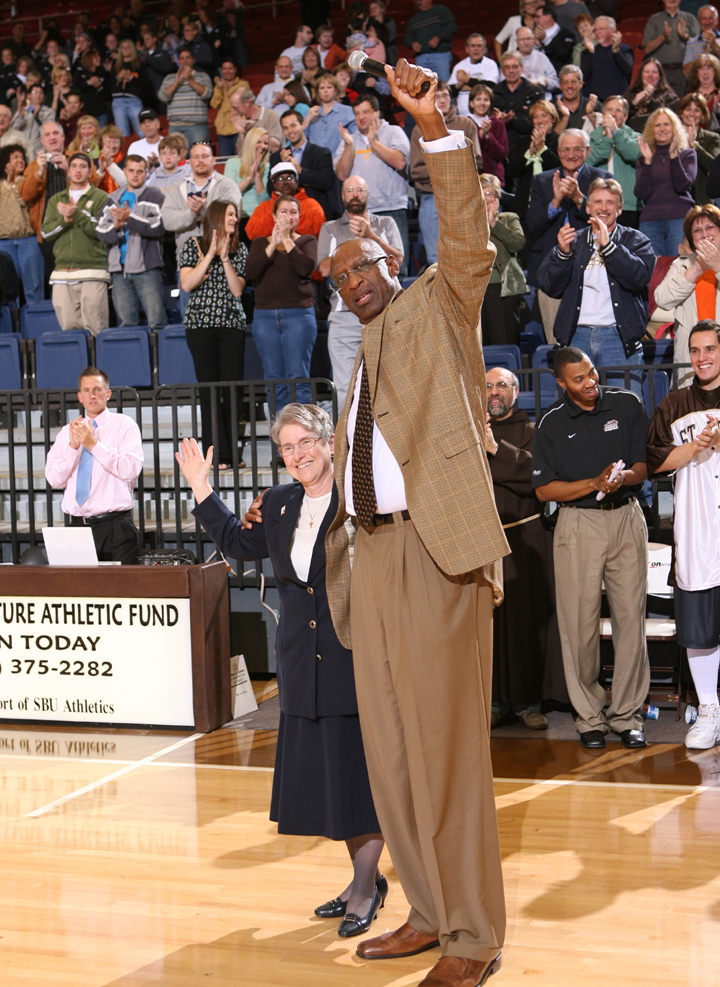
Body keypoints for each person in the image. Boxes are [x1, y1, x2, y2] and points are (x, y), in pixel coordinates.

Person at [325, 59, 507, 987]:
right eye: (339, 275)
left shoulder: (437, 308)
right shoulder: (357, 368)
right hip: (376, 567)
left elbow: (468, 240)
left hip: (436, 558)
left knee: (446, 755)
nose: (351, 278)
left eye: (362, 262)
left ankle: (473, 932)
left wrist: (434, 129)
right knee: (394, 756)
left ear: (390, 261)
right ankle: (429, 911)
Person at [177, 403, 386, 937]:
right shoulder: (279, 502)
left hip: (353, 656)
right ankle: (362, 878)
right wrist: (202, 488)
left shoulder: (363, 500)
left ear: (330, 443)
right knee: (331, 782)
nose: (298, 455)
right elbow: (237, 545)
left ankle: (365, 887)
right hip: (299, 662)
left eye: (306, 443)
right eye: (288, 448)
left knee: (359, 781)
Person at [532, 346, 651, 750]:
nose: (590, 383)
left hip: (626, 517)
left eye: (592, 373)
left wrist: (622, 479)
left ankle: (628, 715)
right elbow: (544, 488)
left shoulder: (628, 403)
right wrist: (593, 484)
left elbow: (643, 466)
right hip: (577, 523)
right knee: (579, 630)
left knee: (630, 624)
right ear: (561, 383)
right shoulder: (549, 423)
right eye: (579, 379)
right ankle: (589, 718)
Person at [645, 320, 720, 749]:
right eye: (695, 350)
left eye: (709, 349)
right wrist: (695, 447)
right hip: (697, 533)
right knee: (700, 628)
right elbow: (653, 460)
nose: (702, 358)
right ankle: (708, 709)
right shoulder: (674, 404)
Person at [537, 176, 655, 393]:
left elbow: (639, 277)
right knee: (574, 412)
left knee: (625, 409)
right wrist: (562, 254)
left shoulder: (636, 241)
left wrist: (609, 247)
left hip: (620, 340)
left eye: (610, 202)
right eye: (598, 202)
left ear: (619, 209)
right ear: (588, 208)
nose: (604, 208)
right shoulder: (572, 240)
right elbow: (549, 285)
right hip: (577, 337)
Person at [484, 366, 552, 731]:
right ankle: (494, 701)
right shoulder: (471, 432)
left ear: (516, 391)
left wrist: (496, 449)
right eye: (489, 386)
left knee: (524, 625)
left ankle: (528, 703)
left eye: (502, 386)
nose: (494, 392)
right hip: (483, 542)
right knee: (489, 626)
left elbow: (539, 476)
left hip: (523, 539)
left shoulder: (533, 431)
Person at [317, 175, 403, 408]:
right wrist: (352, 251)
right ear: (342, 196)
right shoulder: (331, 228)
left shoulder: (385, 224)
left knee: (394, 382)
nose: (355, 194)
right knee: (346, 387)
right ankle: (353, 442)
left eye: (360, 190)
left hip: (386, 315)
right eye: (349, 190)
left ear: (367, 194)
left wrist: (370, 237)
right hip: (344, 317)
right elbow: (325, 268)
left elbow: (398, 259)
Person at [45, 366, 143, 565]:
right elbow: (54, 479)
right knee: (80, 593)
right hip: (77, 527)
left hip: (116, 526)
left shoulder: (124, 425)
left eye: (97, 389)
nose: (92, 395)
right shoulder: (67, 432)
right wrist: (73, 447)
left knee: (123, 592)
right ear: (80, 396)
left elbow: (131, 469)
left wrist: (93, 446)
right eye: (86, 390)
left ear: (107, 394)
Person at [178, 199, 247, 467]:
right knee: (208, 389)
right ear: (217, 217)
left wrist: (225, 258)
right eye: (230, 215)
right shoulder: (193, 245)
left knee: (232, 390)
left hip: (231, 325)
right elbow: (187, 283)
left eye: (236, 216)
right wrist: (209, 256)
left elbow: (237, 289)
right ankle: (216, 454)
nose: (234, 219)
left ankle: (233, 454)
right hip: (200, 326)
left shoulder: (240, 248)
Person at [525, 127, 611, 339]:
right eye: (566, 150)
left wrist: (578, 198)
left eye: (577, 149)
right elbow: (533, 225)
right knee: (557, 342)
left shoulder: (601, 179)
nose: (571, 155)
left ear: (588, 151)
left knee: (588, 336)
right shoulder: (543, 181)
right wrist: (555, 201)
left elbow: (605, 220)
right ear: (558, 150)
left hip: (590, 266)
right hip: (552, 268)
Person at [245, 195, 317, 409]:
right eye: (283, 211)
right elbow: (251, 272)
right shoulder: (259, 243)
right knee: (274, 380)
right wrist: (272, 245)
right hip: (265, 317)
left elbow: (305, 268)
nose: (288, 216)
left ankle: (305, 435)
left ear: (299, 216)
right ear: (275, 216)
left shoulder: (307, 241)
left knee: (298, 378)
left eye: (293, 211)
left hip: (298, 316)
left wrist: (287, 239)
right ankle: (281, 440)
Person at [161, 140, 241, 316]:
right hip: (188, 263)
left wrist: (204, 210)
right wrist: (191, 213)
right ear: (189, 162)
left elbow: (234, 214)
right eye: (196, 157)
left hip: (222, 260)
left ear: (214, 159)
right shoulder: (178, 188)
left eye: (205, 156)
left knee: (224, 315)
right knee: (190, 318)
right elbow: (167, 220)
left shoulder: (226, 185)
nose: (200, 160)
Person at [334, 93, 411, 274]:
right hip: (363, 214)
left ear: (377, 113)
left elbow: (400, 162)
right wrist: (348, 147)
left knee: (397, 267)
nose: (361, 117)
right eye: (357, 113)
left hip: (392, 210)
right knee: (368, 270)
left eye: (366, 112)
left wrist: (374, 142)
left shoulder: (393, 132)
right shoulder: (349, 139)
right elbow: (341, 174)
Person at [410, 80, 481, 265]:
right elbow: (416, 170)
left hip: (463, 197)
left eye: (444, 95)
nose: (441, 100)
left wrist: (441, 166)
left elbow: (477, 161)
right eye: (436, 96)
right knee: (436, 260)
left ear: (451, 98)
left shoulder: (466, 124)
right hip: (432, 197)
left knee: (466, 257)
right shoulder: (419, 129)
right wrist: (450, 165)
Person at [96, 154, 167, 331]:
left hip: (148, 269)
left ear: (145, 174)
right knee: (127, 325)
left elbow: (159, 227)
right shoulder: (113, 198)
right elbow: (99, 230)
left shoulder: (154, 196)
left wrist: (130, 218)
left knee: (157, 323)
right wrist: (116, 227)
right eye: (131, 171)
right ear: (125, 172)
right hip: (119, 272)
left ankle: (160, 359)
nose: (135, 175)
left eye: (140, 171)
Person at [42, 152, 110, 334]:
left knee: (96, 329)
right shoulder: (56, 200)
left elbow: (102, 232)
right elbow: (45, 233)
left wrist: (77, 214)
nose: (78, 170)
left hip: (92, 271)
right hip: (62, 274)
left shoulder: (101, 198)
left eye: (83, 166)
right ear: (68, 171)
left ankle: (97, 364)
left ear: (90, 171)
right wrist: (64, 220)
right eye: (74, 166)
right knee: (69, 331)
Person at [654, 204, 720, 386]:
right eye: (697, 230)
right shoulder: (681, 265)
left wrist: (717, 267)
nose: (704, 234)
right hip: (691, 367)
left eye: (710, 227)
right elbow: (662, 299)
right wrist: (697, 269)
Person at [635, 107, 697, 256]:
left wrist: (673, 156)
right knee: (653, 270)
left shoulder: (687, 154)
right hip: (650, 221)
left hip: (679, 219)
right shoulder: (644, 158)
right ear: (652, 130)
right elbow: (642, 193)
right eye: (657, 125)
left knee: (680, 267)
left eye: (666, 124)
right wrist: (648, 162)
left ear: (674, 128)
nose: (662, 129)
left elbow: (682, 186)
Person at [480, 174, 527, 347]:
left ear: (498, 198)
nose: (486, 200)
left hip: (505, 287)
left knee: (504, 340)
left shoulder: (509, 219)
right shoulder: (469, 223)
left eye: (490, 194)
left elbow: (517, 243)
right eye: (482, 194)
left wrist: (494, 225)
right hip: (479, 289)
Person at [587, 95, 643, 228]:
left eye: (618, 110)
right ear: (603, 115)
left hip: (629, 206)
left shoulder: (636, 137)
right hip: (600, 206)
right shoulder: (592, 138)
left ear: (625, 116)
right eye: (609, 110)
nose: (613, 114)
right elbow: (589, 160)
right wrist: (607, 138)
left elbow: (634, 154)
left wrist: (616, 133)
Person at [268, 109, 335, 219]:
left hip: (316, 215)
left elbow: (327, 182)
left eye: (293, 125)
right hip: (287, 216)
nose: (290, 131)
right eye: (285, 128)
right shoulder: (277, 157)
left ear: (303, 125)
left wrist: (300, 170)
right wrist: (283, 167)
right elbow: (270, 188)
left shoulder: (321, 153)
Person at [0, 143, 44, 302]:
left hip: (29, 240)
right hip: (4, 243)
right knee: (8, 292)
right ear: (5, 161)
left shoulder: (29, 182)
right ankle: (12, 325)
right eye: (15, 157)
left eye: (22, 157)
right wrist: (9, 181)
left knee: (35, 287)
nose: (21, 160)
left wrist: (13, 183)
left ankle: (36, 325)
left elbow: (24, 202)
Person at [505, 98, 560, 218]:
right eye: (535, 117)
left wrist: (542, 149)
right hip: (525, 205)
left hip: (552, 204)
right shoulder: (523, 142)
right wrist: (529, 153)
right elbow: (512, 171)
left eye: (544, 115)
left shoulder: (560, 141)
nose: (540, 120)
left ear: (553, 118)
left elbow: (559, 168)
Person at [245, 159, 326, 239]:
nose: (285, 182)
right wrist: (275, 214)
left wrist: (286, 217)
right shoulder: (264, 206)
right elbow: (251, 232)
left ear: (297, 181)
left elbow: (319, 229)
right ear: (274, 184)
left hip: (303, 249)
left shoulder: (311, 204)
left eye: (289, 178)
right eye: (280, 179)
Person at [642, 0, 698, 98]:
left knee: (683, 106)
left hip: (683, 72)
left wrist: (685, 37)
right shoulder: (654, 20)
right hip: (661, 72)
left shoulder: (690, 18)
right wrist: (663, 37)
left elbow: (698, 47)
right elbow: (647, 49)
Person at [158, 47, 212, 146]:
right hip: (175, 127)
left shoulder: (202, 76)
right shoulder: (169, 78)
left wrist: (189, 79)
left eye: (188, 57)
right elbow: (163, 97)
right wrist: (177, 82)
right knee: (176, 159)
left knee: (200, 156)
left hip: (197, 127)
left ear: (193, 60)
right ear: (178, 61)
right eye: (182, 58)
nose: (185, 60)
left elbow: (207, 94)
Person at [492, 51, 542, 155]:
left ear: (521, 68)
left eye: (514, 66)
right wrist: (498, 120)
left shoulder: (535, 93)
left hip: (527, 147)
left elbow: (536, 124)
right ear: (502, 71)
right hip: (499, 148)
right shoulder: (493, 93)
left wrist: (513, 120)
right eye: (507, 67)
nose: (511, 71)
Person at [224, 126, 270, 226]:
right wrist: (249, 177)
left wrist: (257, 174)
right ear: (250, 143)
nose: (262, 146)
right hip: (238, 215)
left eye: (266, 143)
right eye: (259, 142)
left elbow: (263, 200)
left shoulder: (267, 167)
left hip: (259, 216)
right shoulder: (232, 163)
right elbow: (229, 194)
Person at [580, 17, 634, 101]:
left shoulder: (624, 50)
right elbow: (584, 76)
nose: (597, 32)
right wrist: (590, 52)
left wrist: (616, 51)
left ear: (611, 30)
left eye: (600, 29)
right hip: (594, 100)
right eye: (595, 30)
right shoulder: (589, 51)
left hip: (618, 99)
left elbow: (627, 70)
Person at [680, 92, 720, 203]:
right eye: (688, 109)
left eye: (697, 110)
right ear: (681, 113)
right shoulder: (672, 138)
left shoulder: (712, 138)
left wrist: (694, 146)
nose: (691, 114)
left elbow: (714, 166)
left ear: (703, 116)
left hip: (702, 200)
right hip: (677, 202)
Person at [303, 74, 356, 156]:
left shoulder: (347, 111)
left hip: (338, 161)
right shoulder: (311, 113)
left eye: (329, 87)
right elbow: (301, 140)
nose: (325, 91)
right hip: (315, 162)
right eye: (322, 88)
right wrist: (307, 120)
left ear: (335, 90)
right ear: (317, 92)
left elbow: (355, 138)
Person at [448, 33, 500, 115]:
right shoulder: (459, 66)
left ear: (484, 49)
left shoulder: (490, 64)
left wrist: (467, 80)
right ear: (467, 49)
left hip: (485, 117)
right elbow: (449, 92)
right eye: (473, 46)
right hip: (463, 117)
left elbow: (491, 87)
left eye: (479, 46)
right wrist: (459, 84)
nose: (476, 49)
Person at [465, 85, 508, 185]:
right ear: (471, 103)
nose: (482, 103)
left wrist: (488, 137)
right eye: (478, 99)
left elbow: (502, 154)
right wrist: (480, 136)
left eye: (486, 100)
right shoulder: (465, 123)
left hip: (494, 180)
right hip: (471, 180)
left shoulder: (498, 124)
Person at [624, 56, 679, 133]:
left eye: (654, 72)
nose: (650, 75)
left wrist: (650, 101)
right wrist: (634, 102)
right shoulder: (631, 95)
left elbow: (671, 119)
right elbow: (620, 117)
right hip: (633, 139)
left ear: (660, 76)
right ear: (641, 75)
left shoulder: (669, 96)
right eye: (646, 72)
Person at [404, 0, 457, 80]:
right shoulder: (414, 18)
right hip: (421, 56)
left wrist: (438, 38)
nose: (418, 2)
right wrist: (412, 43)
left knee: (442, 84)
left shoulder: (441, 10)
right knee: (421, 86)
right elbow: (407, 37)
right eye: (416, 1)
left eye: (420, 0)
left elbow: (451, 26)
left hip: (440, 55)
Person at [110, 39, 152, 138]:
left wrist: (131, 78)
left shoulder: (139, 64)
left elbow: (145, 84)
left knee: (142, 132)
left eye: (128, 47)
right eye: (123, 47)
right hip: (118, 102)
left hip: (134, 100)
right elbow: (109, 87)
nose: (125, 49)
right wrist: (118, 78)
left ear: (132, 49)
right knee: (122, 134)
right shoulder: (116, 65)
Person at [228, 87, 282, 155]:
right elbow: (241, 154)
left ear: (247, 103)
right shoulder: (244, 121)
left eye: (236, 108)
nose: (235, 112)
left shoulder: (271, 115)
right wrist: (241, 133)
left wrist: (253, 129)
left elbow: (275, 147)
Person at [554, 64, 600, 135]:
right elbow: (551, 141)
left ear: (581, 83)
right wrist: (565, 118)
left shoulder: (594, 105)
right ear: (560, 85)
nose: (569, 86)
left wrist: (591, 115)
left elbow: (602, 136)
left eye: (573, 82)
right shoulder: (552, 109)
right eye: (565, 82)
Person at [11, 83, 56, 155]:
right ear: (29, 95)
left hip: (40, 151)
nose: (38, 95)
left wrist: (36, 117)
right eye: (35, 92)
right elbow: (13, 129)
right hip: (23, 150)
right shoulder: (23, 110)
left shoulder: (49, 112)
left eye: (41, 93)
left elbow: (48, 131)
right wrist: (21, 117)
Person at [72, 48, 111, 128]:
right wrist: (88, 83)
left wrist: (99, 87)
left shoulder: (102, 73)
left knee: (102, 136)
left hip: (101, 112)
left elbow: (109, 94)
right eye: (96, 57)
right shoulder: (80, 72)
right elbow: (75, 89)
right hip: (86, 112)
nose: (99, 58)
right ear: (89, 59)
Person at [515, 25, 559, 92]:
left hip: (543, 99)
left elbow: (555, 83)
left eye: (529, 39)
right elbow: (504, 83)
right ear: (517, 42)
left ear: (533, 40)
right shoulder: (511, 59)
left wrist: (545, 81)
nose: (526, 43)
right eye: (522, 39)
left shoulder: (542, 57)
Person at [533, 5, 576, 74]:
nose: (535, 20)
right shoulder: (531, 34)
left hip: (558, 77)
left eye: (538, 17)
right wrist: (536, 46)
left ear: (548, 17)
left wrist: (545, 40)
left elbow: (563, 55)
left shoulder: (566, 34)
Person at [685, 51, 720, 125]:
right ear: (696, 73)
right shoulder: (690, 98)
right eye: (701, 69)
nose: (705, 72)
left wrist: (717, 112)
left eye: (709, 68)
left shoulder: (718, 95)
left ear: (715, 71)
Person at [683, 4, 720, 71]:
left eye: (710, 18)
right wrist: (705, 53)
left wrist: (714, 45)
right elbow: (686, 72)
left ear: (717, 20)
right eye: (704, 18)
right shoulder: (692, 43)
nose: (707, 22)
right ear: (698, 21)